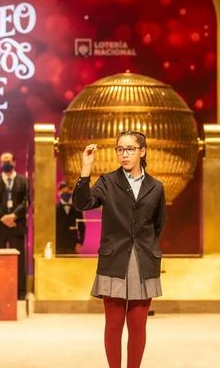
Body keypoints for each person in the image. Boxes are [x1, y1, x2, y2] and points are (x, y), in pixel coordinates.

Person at [72, 131, 166, 368]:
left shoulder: (156, 187)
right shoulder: (107, 181)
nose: (124, 154)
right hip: (114, 260)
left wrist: (147, 249)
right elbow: (82, 203)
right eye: (120, 149)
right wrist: (86, 169)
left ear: (142, 151)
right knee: (113, 324)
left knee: (138, 326)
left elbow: (158, 225)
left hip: (143, 261)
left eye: (130, 149)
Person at [0, 152, 29, 299]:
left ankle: (20, 291)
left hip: (17, 226)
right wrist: (3, 217)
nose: (6, 163)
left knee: (19, 260)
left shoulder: (23, 180)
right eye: (3, 161)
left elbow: (26, 201)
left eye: (8, 161)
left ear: (14, 162)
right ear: (0, 163)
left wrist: (14, 216)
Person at [56, 181, 85, 254]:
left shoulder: (77, 208)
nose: (66, 192)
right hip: (58, 244)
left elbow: (81, 226)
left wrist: (80, 242)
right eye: (63, 191)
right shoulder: (54, 209)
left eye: (68, 191)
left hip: (73, 244)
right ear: (59, 192)